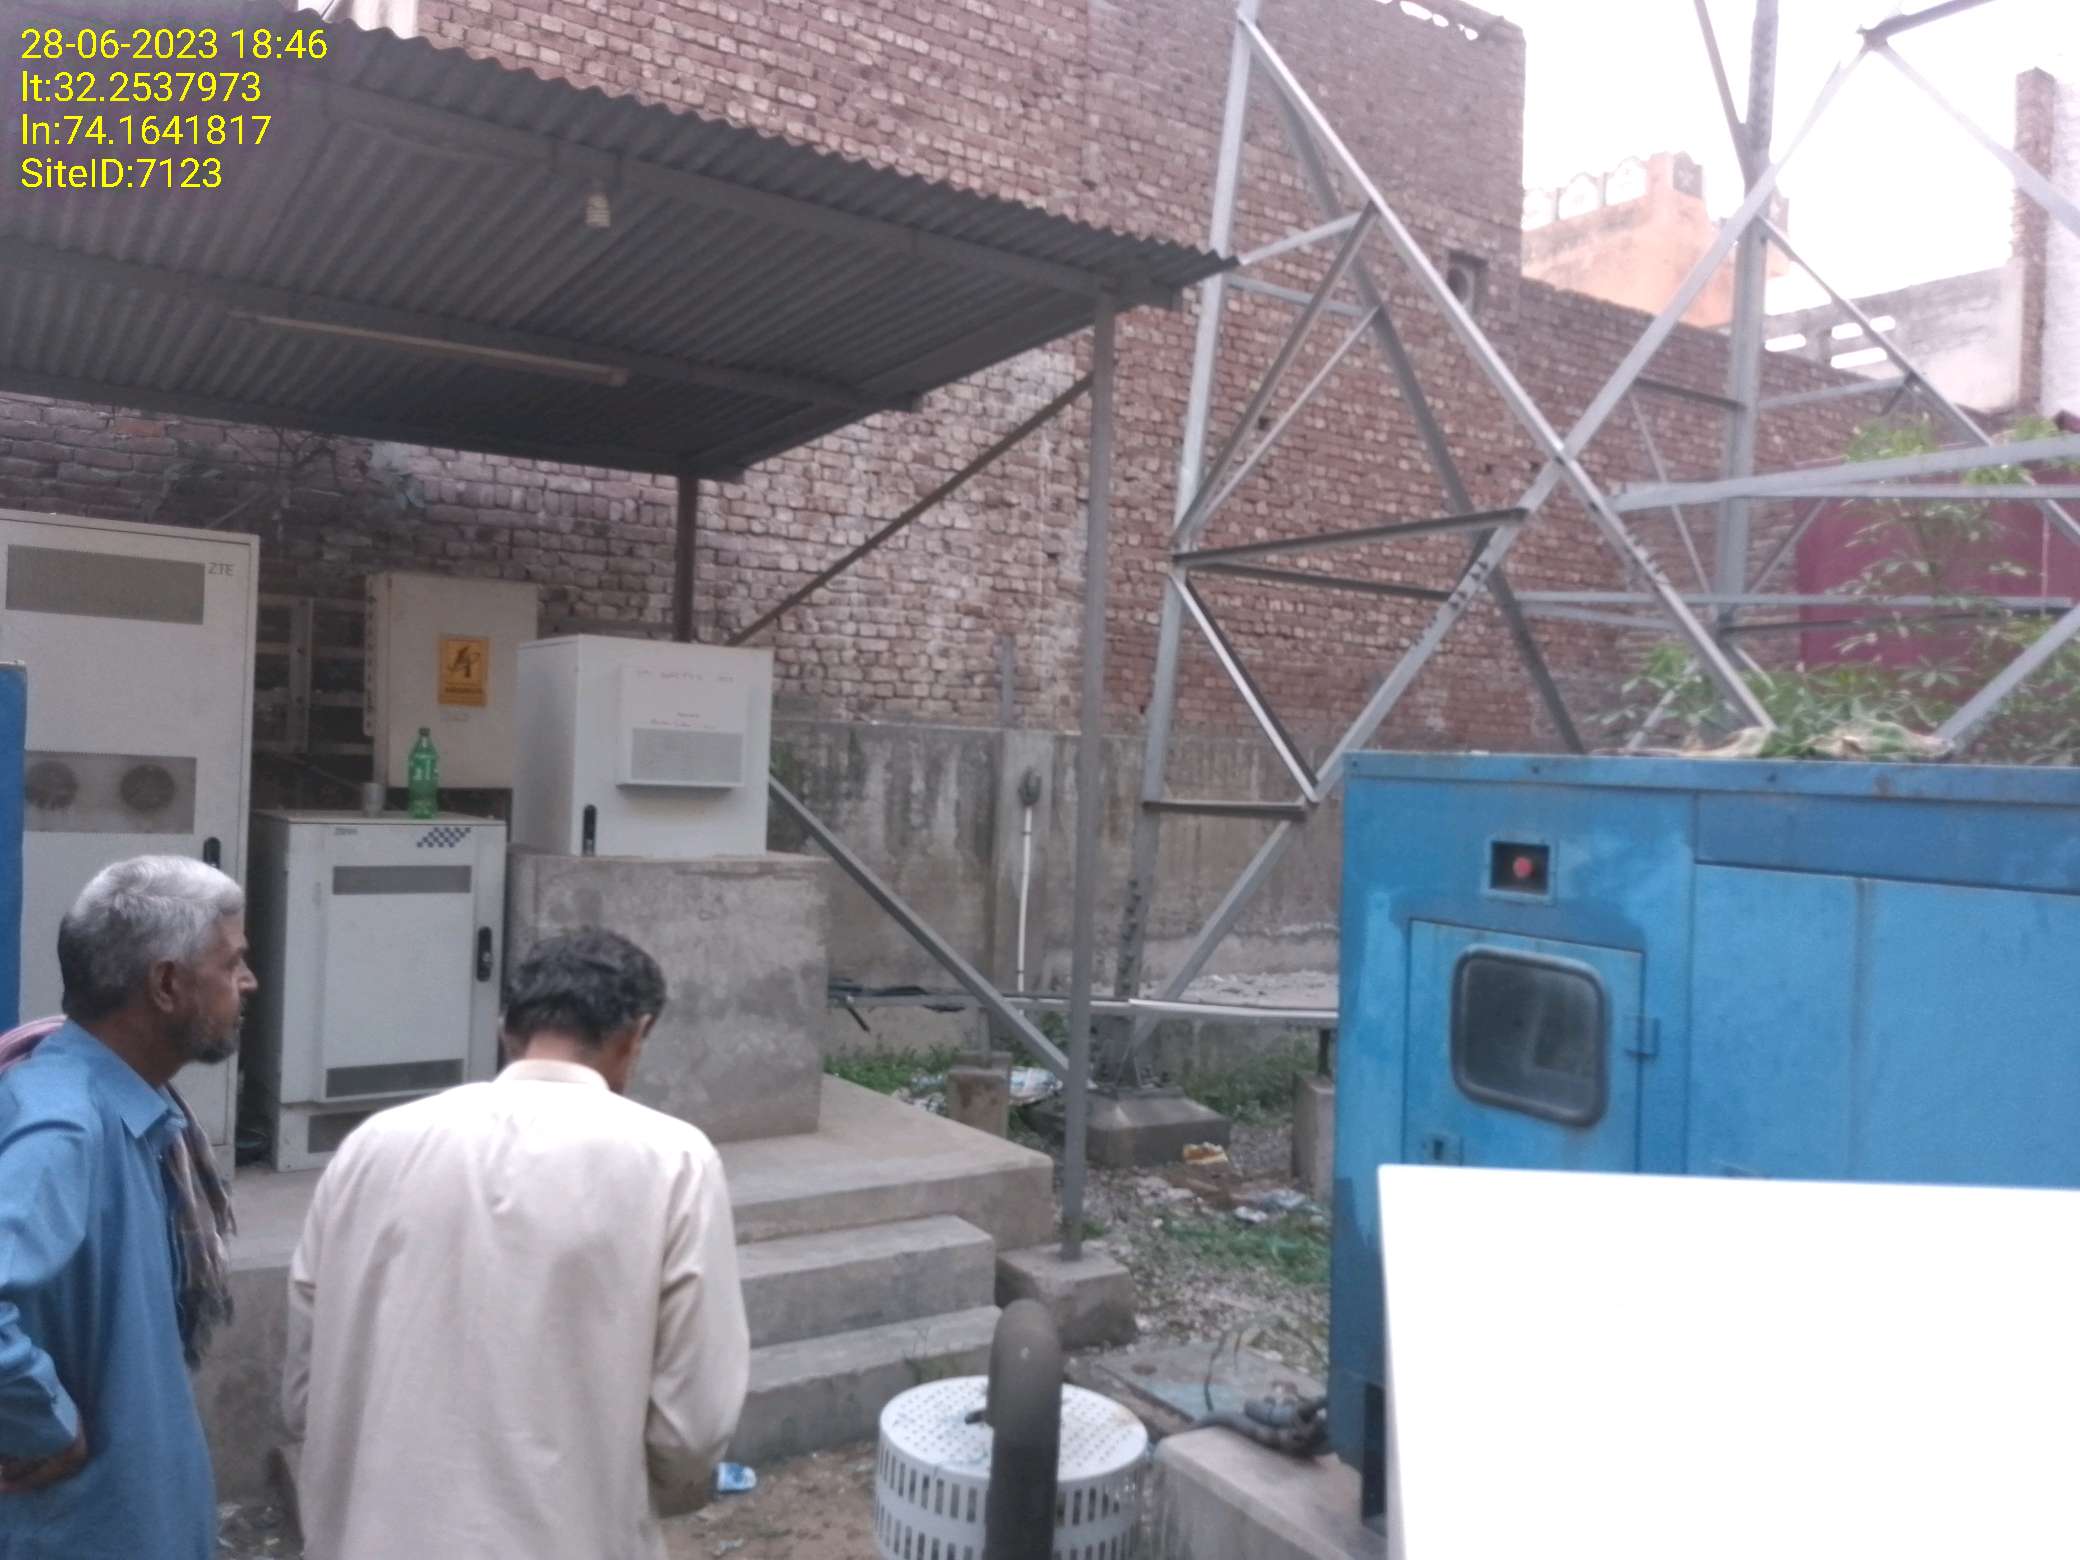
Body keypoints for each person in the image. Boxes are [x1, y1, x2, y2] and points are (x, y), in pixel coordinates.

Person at [285, 927, 750, 1560]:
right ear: (636, 1035)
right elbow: (692, 1422)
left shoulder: (372, 1145)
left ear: (507, 1029)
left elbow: (306, 1382)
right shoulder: (672, 1160)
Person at [0, 855, 255, 1560]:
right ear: (167, 984)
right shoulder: (63, 1125)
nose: (248, 981)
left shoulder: (131, 1114)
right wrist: (44, 1424)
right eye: (232, 961)